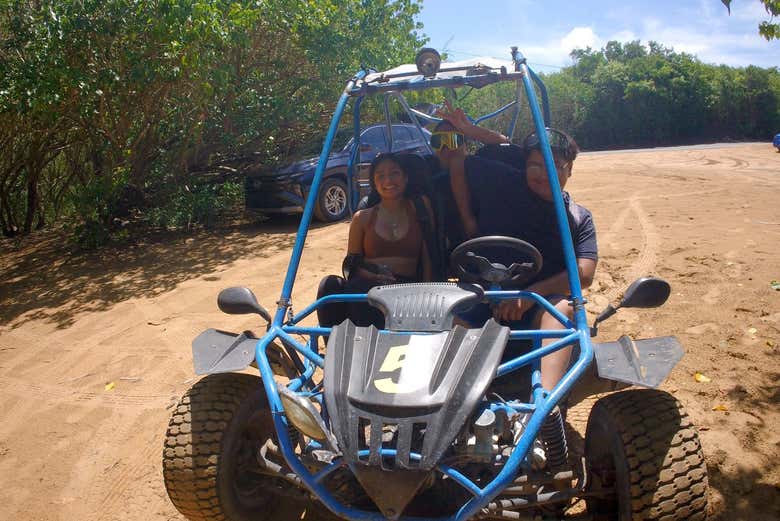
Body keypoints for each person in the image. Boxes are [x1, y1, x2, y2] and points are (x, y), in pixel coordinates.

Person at [451, 128, 598, 391]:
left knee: (563, 308)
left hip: (539, 306)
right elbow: (459, 163)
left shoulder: (578, 217)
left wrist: (529, 296)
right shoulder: (506, 184)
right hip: (484, 298)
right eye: (535, 166)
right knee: (441, 318)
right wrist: (467, 219)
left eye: (553, 166)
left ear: (570, 169)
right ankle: (448, 399)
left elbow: (584, 273)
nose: (543, 174)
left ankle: (546, 402)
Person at [339, 152, 435, 327]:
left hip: (407, 288)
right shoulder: (362, 218)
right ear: (374, 183)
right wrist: (375, 277)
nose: (388, 180)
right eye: (380, 176)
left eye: (394, 173)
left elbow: (429, 251)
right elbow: (352, 266)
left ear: (405, 178)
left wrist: (426, 290)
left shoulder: (421, 206)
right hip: (369, 288)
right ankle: (339, 347)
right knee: (331, 286)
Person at [431, 100, 509, 238]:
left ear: (465, 143)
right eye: (438, 141)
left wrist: (468, 128)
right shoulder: (429, 178)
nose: (446, 147)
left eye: (453, 140)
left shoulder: (480, 167)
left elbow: (506, 147)